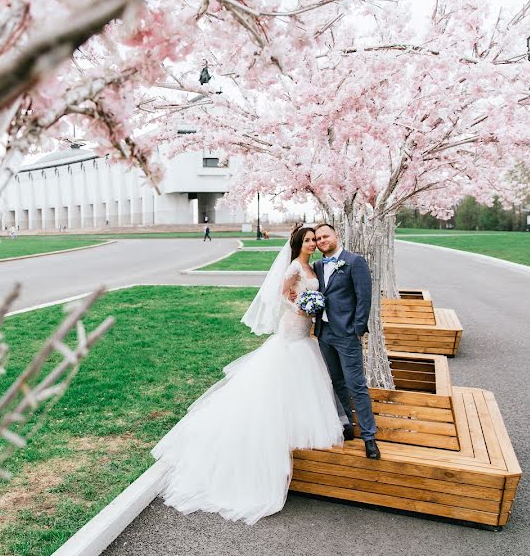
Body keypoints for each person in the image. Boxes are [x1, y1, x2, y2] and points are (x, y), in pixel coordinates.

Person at [153, 225, 343, 524]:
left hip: (306, 335)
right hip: (293, 330)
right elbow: (281, 296)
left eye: (313, 240)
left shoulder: (311, 265)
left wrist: (310, 305)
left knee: (305, 383)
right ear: (298, 243)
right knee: (284, 381)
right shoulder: (295, 266)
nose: (311, 244)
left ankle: (297, 435)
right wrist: (302, 306)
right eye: (307, 240)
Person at [310, 223, 380, 460]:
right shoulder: (318, 265)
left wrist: (357, 329)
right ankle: (346, 424)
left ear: (336, 236)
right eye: (318, 238)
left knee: (356, 384)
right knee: (336, 381)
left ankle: (370, 437)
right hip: (324, 333)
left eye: (325, 236)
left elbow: (364, 298)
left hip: (347, 334)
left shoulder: (354, 261)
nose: (321, 241)